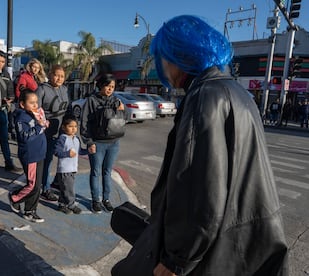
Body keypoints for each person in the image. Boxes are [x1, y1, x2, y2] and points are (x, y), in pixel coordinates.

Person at [112, 15, 288, 275]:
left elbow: (200, 189)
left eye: (161, 56)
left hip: (204, 254)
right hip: (237, 241)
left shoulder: (203, 96)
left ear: (176, 56)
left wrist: (177, 259)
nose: (159, 65)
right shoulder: (239, 93)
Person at [80, 74, 126, 213]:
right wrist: (89, 142)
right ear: (100, 85)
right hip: (97, 143)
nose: (110, 89)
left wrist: (124, 110)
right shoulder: (91, 101)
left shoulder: (116, 100)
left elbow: (124, 119)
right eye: (107, 86)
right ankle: (96, 200)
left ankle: (106, 199)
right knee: (95, 172)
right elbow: (84, 123)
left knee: (107, 172)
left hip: (114, 143)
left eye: (112, 87)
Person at [9, 88, 47, 223]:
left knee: (37, 185)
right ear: (22, 104)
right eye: (32, 103)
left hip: (40, 153)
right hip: (30, 156)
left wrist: (43, 123)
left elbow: (40, 129)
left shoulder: (35, 114)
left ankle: (30, 210)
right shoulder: (21, 118)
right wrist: (39, 126)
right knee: (32, 185)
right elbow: (24, 136)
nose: (35, 105)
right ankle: (15, 197)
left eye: (36, 102)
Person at [37, 64, 70, 201]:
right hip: (47, 132)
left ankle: (56, 182)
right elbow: (35, 109)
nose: (59, 78)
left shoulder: (65, 89)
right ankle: (45, 188)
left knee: (64, 158)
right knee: (47, 160)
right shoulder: (42, 89)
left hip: (62, 130)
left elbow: (68, 108)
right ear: (50, 74)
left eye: (62, 76)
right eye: (56, 75)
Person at [54, 115, 89, 215]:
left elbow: (79, 152)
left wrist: (88, 151)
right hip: (64, 169)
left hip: (73, 168)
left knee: (65, 188)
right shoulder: (62, 138)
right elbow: (57, 152)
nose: (73, 129)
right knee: (69, 189)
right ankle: (71, 204)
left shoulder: (76, 139)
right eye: (70, 126)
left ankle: (62, 204)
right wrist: (67, 154)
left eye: (75, 126)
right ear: (64, 127)